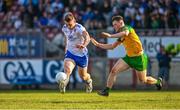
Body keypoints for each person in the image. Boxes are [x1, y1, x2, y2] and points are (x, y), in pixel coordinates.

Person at [91, 15, 162, 96]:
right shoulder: (121, 35)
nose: (114, 26)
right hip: (129, 57)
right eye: (113, 25)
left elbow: (125, 33)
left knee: (143, 80)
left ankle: (157, 82)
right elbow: (112, 46)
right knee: (113, 71)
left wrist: (110, 36)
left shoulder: (127, 28)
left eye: (115, 24)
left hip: (139, 58)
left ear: (121, 23)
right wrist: (98, 44)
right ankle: (106, 91)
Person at [60, 12, 93, 93]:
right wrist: (66, 48)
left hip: (81, 55)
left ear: (74, 20)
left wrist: (83, 45)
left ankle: (89, 81)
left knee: (83, 76)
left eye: (70, 25)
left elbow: (88, 38)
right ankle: (63, 85)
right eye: (67, 24)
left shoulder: (79, 28)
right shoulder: (64, 28)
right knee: (67, 70)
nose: (69, 26)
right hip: (70, 53)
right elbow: (67, 38)